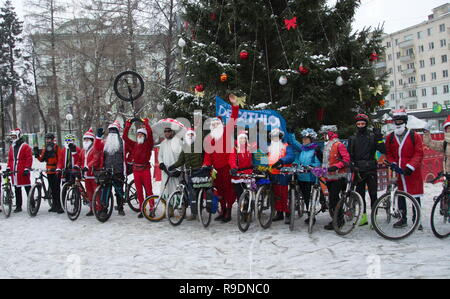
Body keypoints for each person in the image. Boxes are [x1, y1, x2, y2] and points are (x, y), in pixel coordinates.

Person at [385, 109, 424, 230]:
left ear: (405, 121)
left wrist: (410, 166)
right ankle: (402, 219)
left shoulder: (414, 136)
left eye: (400, 120)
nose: (398, 123)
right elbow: (389, 153)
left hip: (412, 171)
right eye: (396, 121)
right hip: (398, 171)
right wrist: (393, 163)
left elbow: (419, 153)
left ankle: (416, 219)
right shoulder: (390, 137)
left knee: (415, 196)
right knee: (400, 196)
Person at [203, 95, 240, 223]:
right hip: (216, 170)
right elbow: (208, 155)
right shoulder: (210, 139)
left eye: (216, 124)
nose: (215, 126)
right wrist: (206, 165)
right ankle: (223, 210)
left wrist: (235, 105)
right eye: (213, 125)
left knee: (229, 191)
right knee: (219, 190)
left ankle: (228, 211)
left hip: (227, 168)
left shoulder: (226, 132)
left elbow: (233, 118)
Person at [347, 114, 386, 226]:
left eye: (363, 124)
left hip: (371, 169)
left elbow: (383, 149)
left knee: (373, 194)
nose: (360, 126)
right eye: (358, 124)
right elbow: (349, 155)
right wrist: (351, 165)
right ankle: (363, 216)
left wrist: (379, 138)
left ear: (366, 124)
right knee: (360, 195)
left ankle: (374, 218)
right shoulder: (352, 138)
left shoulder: (372, 137)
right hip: (358, 170)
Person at [93, 120, 127, 216]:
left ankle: (120, 207)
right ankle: (104, 209)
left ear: (117, 131)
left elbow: (129, 151)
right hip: (106, 170)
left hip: (118, 170)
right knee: (105, 190)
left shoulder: (123, 142)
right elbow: (97, 147)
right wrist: (98, 137)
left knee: (119, 190)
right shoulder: (105, 142)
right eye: (110, 130)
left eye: (114, 130)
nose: (112, 132)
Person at [168, 128, 204, 220]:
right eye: (188, 135)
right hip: (189, 173)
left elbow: (205, 157)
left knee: (197, 192)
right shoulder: (185, 147)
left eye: (192, 135)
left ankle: (197, 211)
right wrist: (172, 166)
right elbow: (181, 160)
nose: (190, 136)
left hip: (199, 172)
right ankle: (193, 212)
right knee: (191, 193)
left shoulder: (199, 145)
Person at [288, 128, 322, 224]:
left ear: (311, 140)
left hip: (310, 177)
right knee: (305, 197)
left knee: (310, 197)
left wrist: (312, 166)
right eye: (303, 139)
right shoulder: (303, 150)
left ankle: (312, 216)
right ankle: (309, 214)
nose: (304, 140)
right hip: (301, 176)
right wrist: (295, 164)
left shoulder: (315, 149)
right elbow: (298, 160)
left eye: (306, 139)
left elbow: (318, 162)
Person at [320, 125, 350, 230]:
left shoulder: (339, 145)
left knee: (334, 199)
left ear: (330, 134)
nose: (323, 136)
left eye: (324, 134)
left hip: (338, 177)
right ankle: (336, 218)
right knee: (332, 200)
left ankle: (339, 220)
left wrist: (336, 167)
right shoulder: (327, 145)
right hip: (329, 177)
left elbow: (346, 160)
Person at [124, 118, 154, 218]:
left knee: (149, 191)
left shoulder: (148, 144)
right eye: (138, 134)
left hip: (145, 170)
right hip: (136, 170)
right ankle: (142, 209)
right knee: (139, 191)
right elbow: (124, 137)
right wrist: (128, 124)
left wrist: (145, 123)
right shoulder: (134, 145)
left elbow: (150, 133)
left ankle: (152, 208)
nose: (139, 136)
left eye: (141, 134)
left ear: (144, 136)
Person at [268, 128, 295, 224]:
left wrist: (282, 161)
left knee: (284, 194)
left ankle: (287, 213)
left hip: (284, 174)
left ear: (280, 137)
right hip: (272, 174)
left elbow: (291, 156)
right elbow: (265, 159)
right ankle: (279, 213)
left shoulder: (286, 146)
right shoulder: (269, 148)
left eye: (277, 137)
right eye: (273, 137)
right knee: (276, 195)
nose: (275, 139)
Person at [33, 132, 63, 213]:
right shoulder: (45, 148)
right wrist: (36, 153)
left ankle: (59, 206)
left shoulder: (56, 147)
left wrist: (58, 168)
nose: (47, 140)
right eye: (46, 139)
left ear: (53, 140)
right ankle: (54, 205)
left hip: (56, 171)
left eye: (49, 139)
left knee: (57, 189)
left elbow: (60, 159)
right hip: (49, 171)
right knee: (52, 189)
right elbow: (41, 159)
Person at [6, 128, 32, 213]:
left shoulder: (25, 146)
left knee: (27, 187)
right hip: (15, 171)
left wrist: (27, 168)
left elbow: (29, 158)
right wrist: (8, 167)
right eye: (12, 136)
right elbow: (10, 159)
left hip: (22, 170)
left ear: (18, 136)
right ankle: (18, 206)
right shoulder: (12, 147)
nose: (13, 138)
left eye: (14, 136)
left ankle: (32, 203)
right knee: (17, 189)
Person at [76, 128, 101, 216]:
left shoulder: (95, 149)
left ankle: (99, 209)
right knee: (89, 193)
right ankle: (91, 208)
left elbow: (96, 159)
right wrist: (77, 166)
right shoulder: (83, 150)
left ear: (91, 140)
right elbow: (79, 160)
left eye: (88, 139)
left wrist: (88, 166)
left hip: (94, 175)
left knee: (96, 193)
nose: (86, 141)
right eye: (85, 139)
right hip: (86, 176)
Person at [158, 126, 183, 202]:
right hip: (166, 170)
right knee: (166, 189)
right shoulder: (162, 143)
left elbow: (182, 157)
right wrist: (161, 163)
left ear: (172, 132)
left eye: (169, 131)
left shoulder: (178, 142)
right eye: (165, 131)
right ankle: (169, 208)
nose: (167, 133)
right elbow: (160, 155)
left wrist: (179, 169)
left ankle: (180, 207)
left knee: (177, 189)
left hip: (176, 169)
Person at [229, 130, 254, 206]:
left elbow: (255, 159)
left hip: (249, 172)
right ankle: (241, 207)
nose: (243, 140)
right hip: (238, 173)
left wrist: (257, 166)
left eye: (244, 138)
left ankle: (250, 204)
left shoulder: (250, 148)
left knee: (250, 191)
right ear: (238, 139)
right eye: (241, 138)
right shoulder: (235, 149)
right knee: (239, 192)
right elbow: (231, 159)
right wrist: (233, 167)